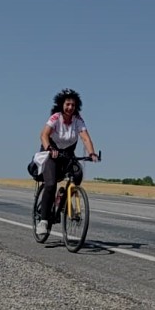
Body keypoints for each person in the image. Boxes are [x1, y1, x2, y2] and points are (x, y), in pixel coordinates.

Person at [36, 88, 100, 236]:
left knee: (77, 175)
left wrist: (91, 153)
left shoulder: (78, 120)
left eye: (73, 105)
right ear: (62, 105)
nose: (70, 107)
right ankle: (43, 221)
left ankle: (62, 198)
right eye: (67, 104)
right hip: (51, 153)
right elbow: (44, 135)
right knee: (51, 184)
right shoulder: (55, 117)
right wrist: (49, 148)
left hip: (67, 154)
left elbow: (85, 138)